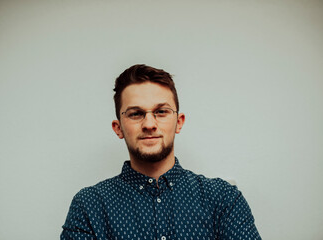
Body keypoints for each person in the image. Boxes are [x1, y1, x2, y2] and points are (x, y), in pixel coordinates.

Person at [60, 64, 261, 239]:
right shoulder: (89, 206)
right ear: (118, 127)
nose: (149, 124)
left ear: (179, 122)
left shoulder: (223, 198)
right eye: (136, 114)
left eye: (161, 112)